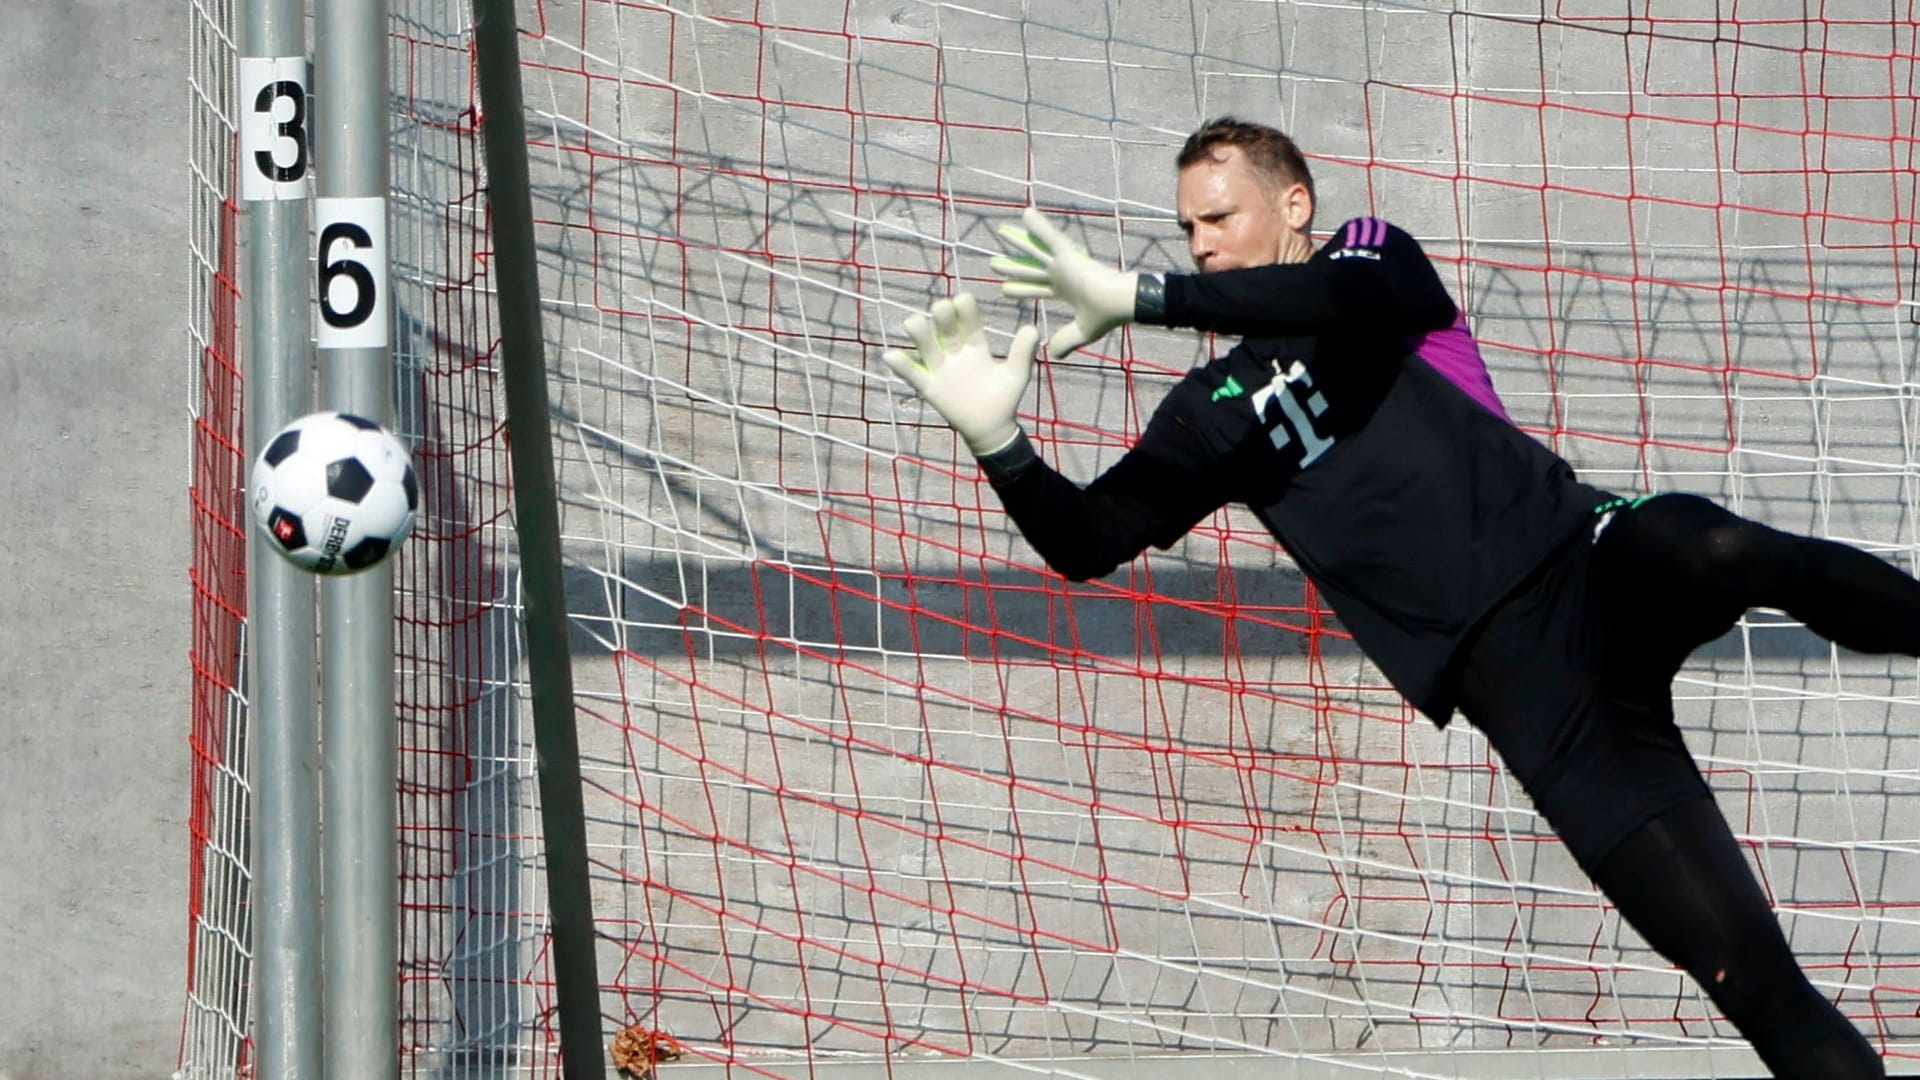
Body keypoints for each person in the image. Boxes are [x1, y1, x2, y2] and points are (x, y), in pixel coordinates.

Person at [877, 116, 1920, 1078]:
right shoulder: (1209, 415)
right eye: (1186, 230)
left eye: (1220, 217)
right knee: (1744, 972)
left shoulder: (1368, 260)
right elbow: (1088, 542)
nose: (1201, 245)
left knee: (1717, 544)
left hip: (1582, 557)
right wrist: (998, 443)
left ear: (1294, 205)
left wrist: (1150, 298)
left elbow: (1344, 302)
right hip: (1528, 693)